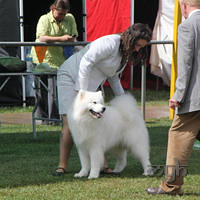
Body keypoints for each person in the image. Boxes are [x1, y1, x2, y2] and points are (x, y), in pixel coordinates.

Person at [53, 23, 152, 176]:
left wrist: (124, 102)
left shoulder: (124, 54)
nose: (138, 49)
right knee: (70, 122)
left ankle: (100, 165)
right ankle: (62, 165)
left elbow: (113, 76)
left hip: (90, 83)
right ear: (130, 38)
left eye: (141, 47)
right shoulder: (108, 43)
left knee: (98, 124)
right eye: (137, 45)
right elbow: (86, 62)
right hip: (71, 76)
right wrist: (83, 93)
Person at [146, 0, 200, 195]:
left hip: (195, 98)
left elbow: (185, 65)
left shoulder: (187, 26)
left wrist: (178, 94)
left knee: (178, 137)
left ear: (184, 6)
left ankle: (171, 186)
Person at [31, 0, 78, 124]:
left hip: (60, 60)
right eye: (60, 13)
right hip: (41, 58)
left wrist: (71, 40)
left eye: (64, 14)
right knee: (41, 90)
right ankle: (42, 118)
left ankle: (54, 119)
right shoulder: (44, 19)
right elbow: (42, 37)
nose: (62, 16)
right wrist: (62, 39)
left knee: (55, 90)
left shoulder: (70, 18)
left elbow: (74, 37)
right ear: (53, 9)